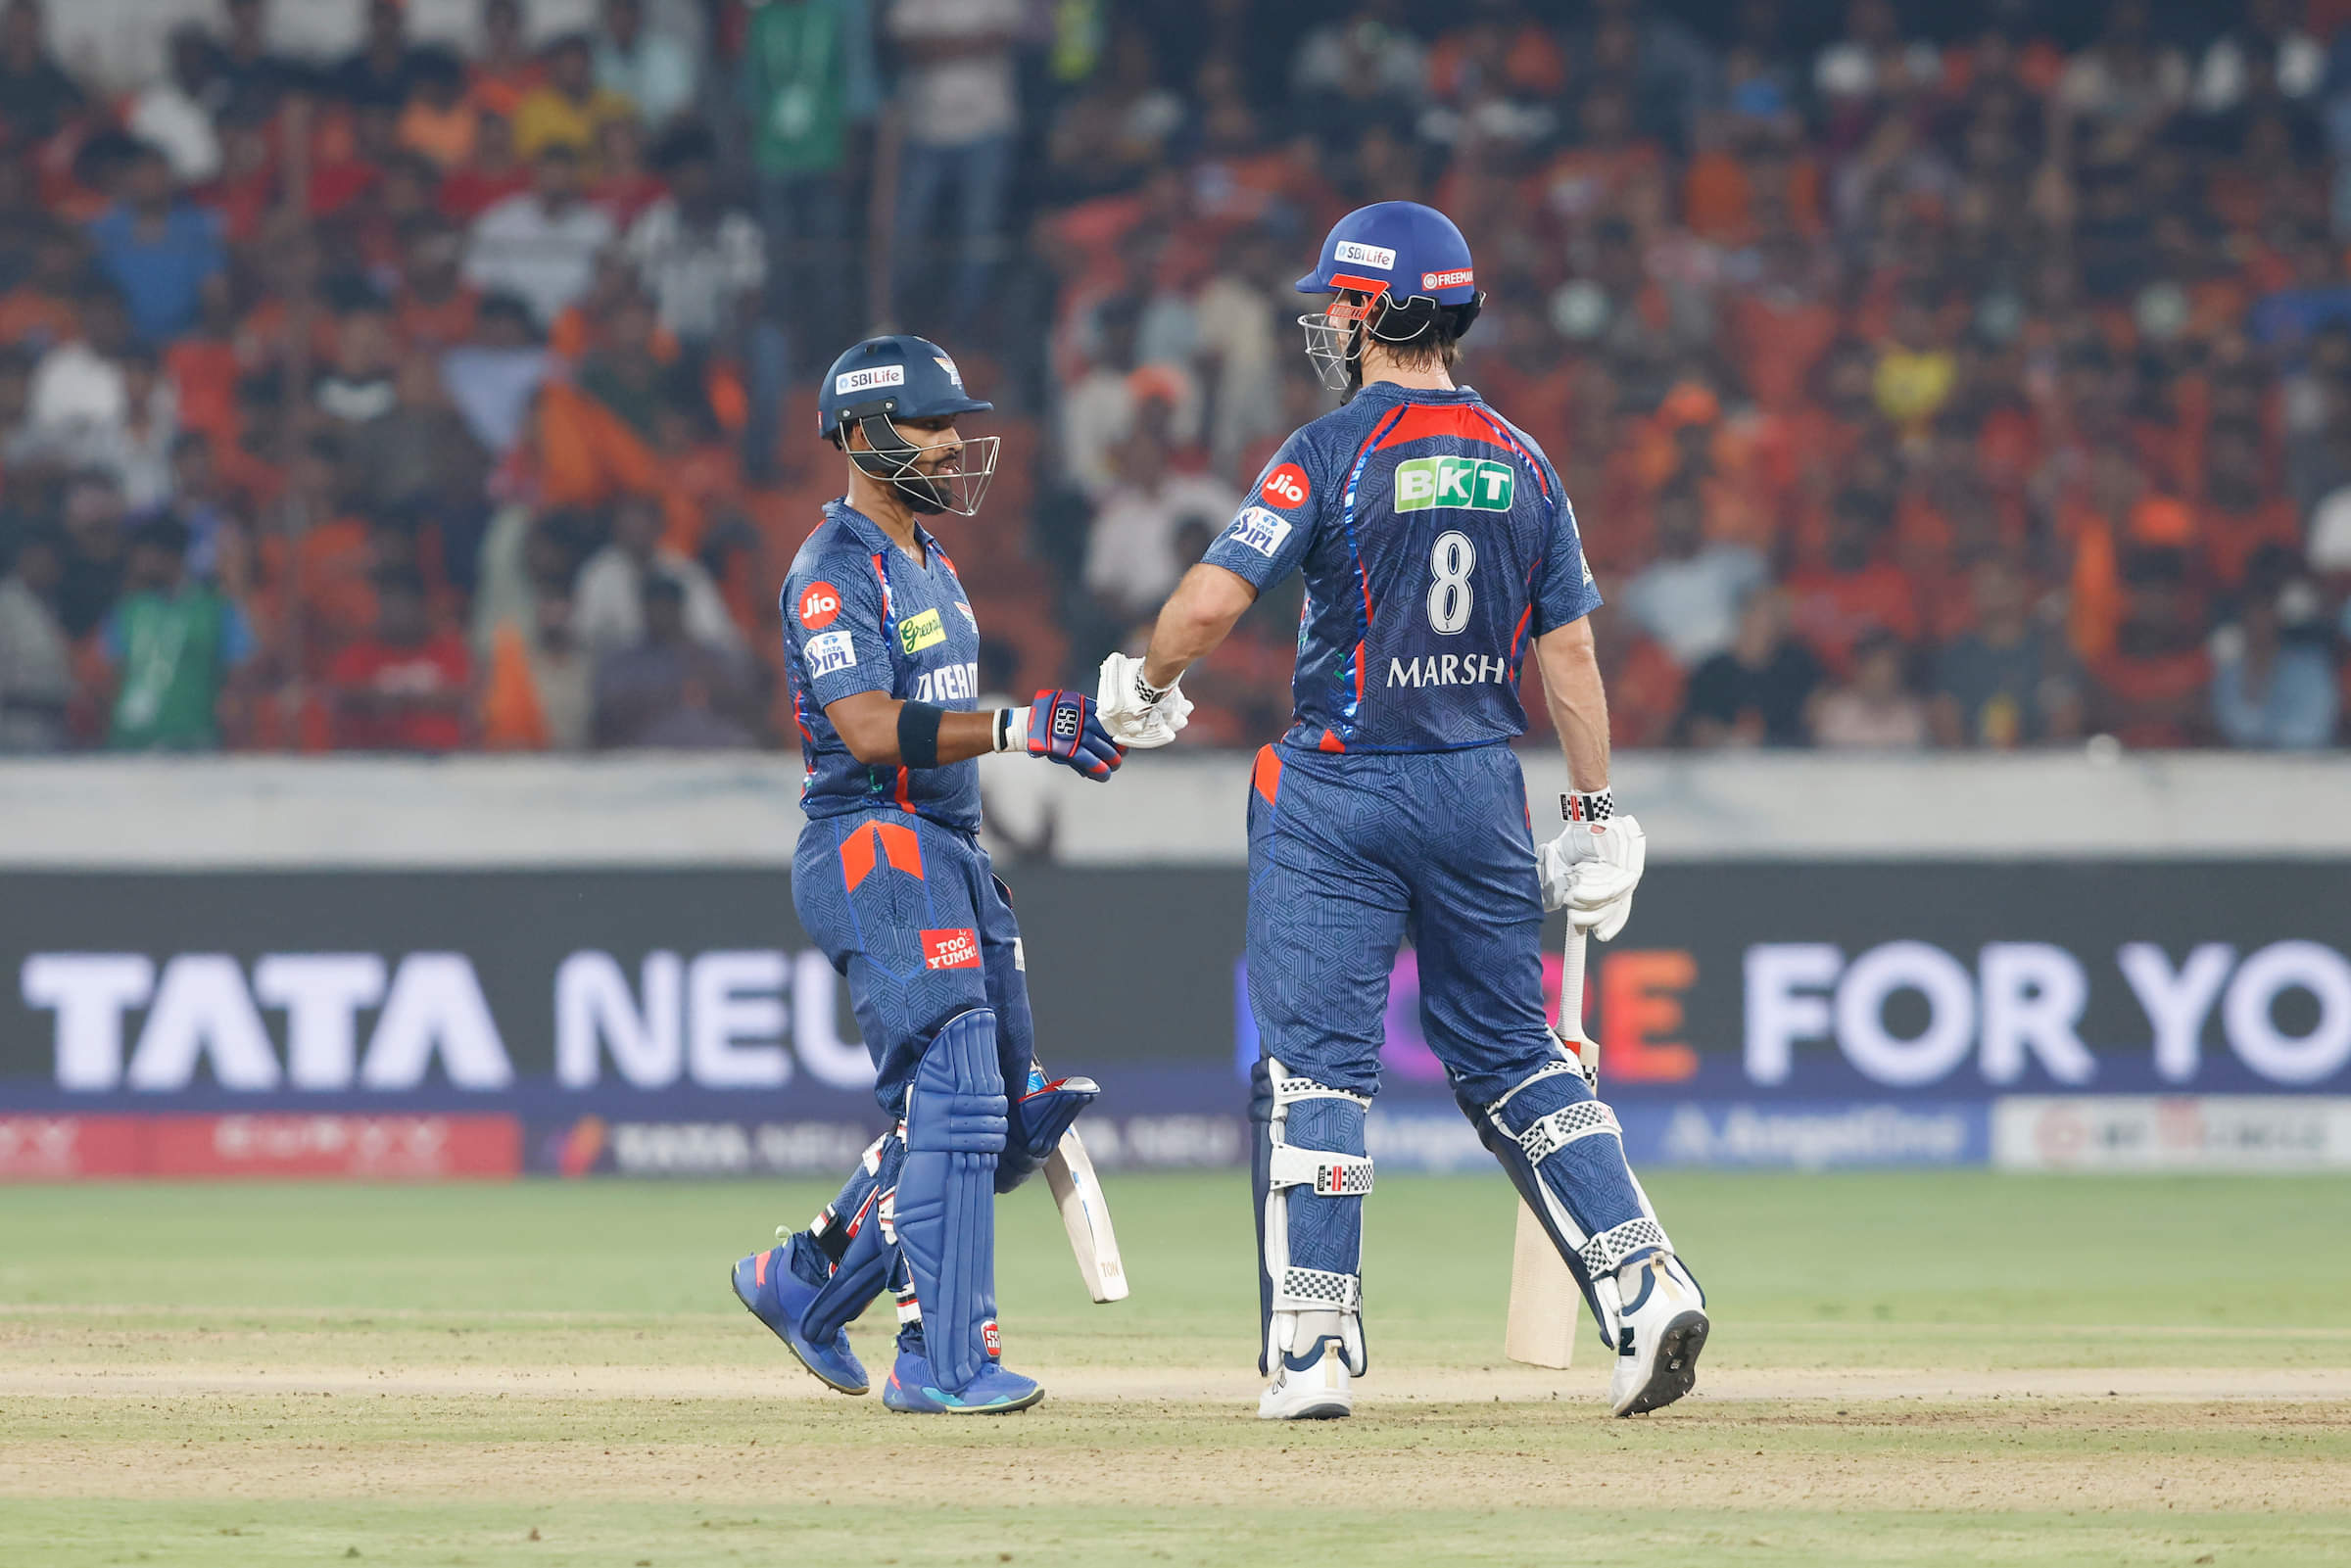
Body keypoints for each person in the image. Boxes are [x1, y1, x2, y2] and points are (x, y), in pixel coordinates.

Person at [1095, 203, 1707, 1421]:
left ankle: (1314, 1344)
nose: (1329, 319)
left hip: (1341, 786)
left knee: (1318, 1069)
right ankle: (1645, 1284)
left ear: (1376, 311)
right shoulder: (1525, 459)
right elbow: (1571, 657)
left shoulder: (1329, 448)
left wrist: (1144, 682)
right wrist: (1593, 812)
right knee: (1515, 1057)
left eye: (1340, 301)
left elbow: (1211, 602)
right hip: (1479, 787)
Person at [730, 334, 1124, 1415]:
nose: (954, 443)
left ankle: (805, 1282)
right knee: (953, 1090)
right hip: (871, 841)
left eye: (957, 424)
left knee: (999, 1121)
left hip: (945, 846)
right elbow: (866, 727)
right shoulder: (831, 569)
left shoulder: (932, 562)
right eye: (932, 424)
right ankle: (940, 1360)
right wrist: (1017, 727)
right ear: (862, 435)